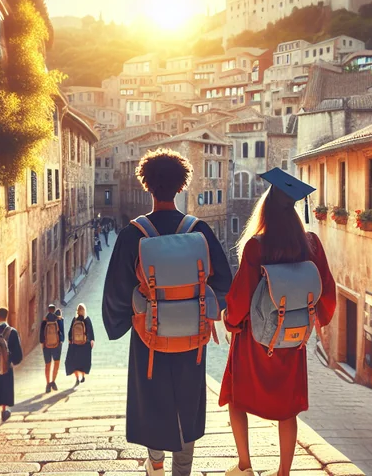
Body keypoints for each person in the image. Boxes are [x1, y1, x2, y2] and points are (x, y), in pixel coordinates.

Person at [102, 148, 233, 476]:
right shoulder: (198, 229)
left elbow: (116, 290)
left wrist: (122, 319)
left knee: (153, 400)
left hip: (149, 335)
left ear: (147, 186)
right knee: (187, 402)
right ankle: (182, 470)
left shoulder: (134, 233)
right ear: (181, 185)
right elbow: (224, 281)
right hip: (193, 335)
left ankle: (156, 465)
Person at [220, 168, 337, 476]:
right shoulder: (310, 243)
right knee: (288, 408)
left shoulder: (256, 246)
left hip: (255, 341)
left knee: (237, 398)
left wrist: (231, 323)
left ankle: (245, 466)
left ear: (266, 209)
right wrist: (318, 321)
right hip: (293, 338)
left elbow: (241, 294)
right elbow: (326, 287)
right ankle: (283, 472)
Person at [64, 303, 95, 385]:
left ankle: (77, 378)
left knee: (74, 362)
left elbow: (70, 332)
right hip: (85, 344)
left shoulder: (75, 320)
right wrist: (92, 340)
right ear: (84, 310)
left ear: (77, 311)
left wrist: (70, 341)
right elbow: (90, 331)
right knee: (83, 361)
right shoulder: (87, 319)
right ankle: (83, 376)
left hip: (75, 344)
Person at [42, 304, 64, 393]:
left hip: (46, 346)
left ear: (48, 310)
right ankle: (53, 381)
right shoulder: (59, 320)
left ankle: (47, 384)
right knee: (56, 363)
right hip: (57, 345)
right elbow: (62, 334)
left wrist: (43, 344)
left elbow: (41, 336)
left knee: (47, 365)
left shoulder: (44, 321)